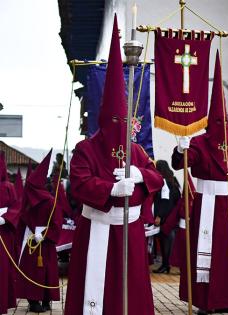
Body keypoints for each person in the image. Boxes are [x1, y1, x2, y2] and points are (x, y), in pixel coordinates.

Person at [64, 17, 164, 315]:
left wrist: (139, 174)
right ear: (104, 121)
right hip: (96, 226)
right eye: (115, 122)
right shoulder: (87, 148)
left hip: (129, 231)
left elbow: (157, 178)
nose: (120, 127)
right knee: (96, 294)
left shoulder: (135, 150)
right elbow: (79, 184)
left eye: (125, 122)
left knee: (129, 294)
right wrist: (111, 188)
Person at [172, 53, 228, 315]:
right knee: (208, 253)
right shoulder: (200, 142)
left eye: (223, 120)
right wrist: (180, 149)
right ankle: (205, 300)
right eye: (217, 121)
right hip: (207, 205)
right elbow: (183, 162)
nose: (221, 125)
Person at [16, 150, 63, 313]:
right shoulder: (28, 202)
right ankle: (33, 300)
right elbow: (22, 218)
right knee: (31, 271)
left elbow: (57, 223)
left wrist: (44, 234)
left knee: (47, 270)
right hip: (31, 242)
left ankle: (45, 299)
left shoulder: (51, 202)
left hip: (45, 242)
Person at [153, 160, 181, 274]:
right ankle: (166, 264)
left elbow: (165, 201)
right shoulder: (173, 180)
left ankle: (165, 265)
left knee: (166, 241)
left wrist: (159, 216)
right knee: (168, 241)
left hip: (166, 217)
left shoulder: (164, 182)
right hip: (173, 216)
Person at [0, 152, 18, 315]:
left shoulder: (8, 187)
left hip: (3, 236)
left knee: (2, 269)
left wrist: (5, 219)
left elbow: (16, 208)